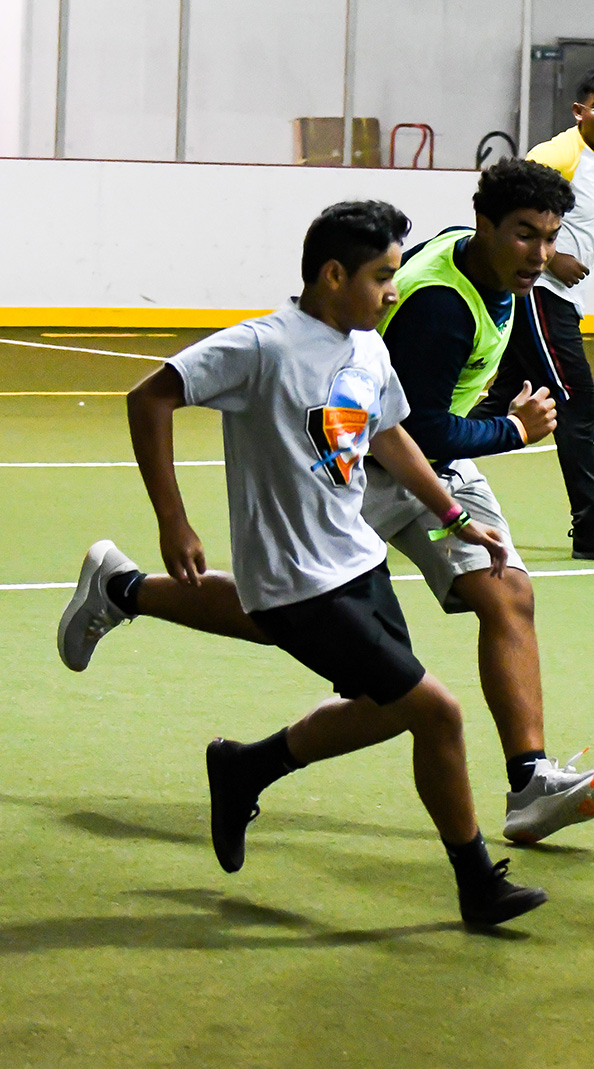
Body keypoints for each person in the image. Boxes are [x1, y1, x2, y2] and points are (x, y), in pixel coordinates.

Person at [58, 159, 594, 847]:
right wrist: (511, 429)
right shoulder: (438, 307)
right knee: (281, 616)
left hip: (426, 465)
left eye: (549, 236)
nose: (541, 253)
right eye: (526, 236)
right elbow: (405, 428)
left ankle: (529, 778)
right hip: (363, 459)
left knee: (506, 592)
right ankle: (125, 589)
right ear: (487, 225)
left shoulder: (494, 267)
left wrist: (460, 498)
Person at [107, 200, 547, 926]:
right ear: (333, 274)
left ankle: (246, 766)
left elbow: (392, 434)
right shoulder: (263, 347)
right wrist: (173, 519)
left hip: (358, 562)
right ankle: (476, 883)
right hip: (295, 585)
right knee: (436, 712)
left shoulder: (368, 343)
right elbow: (149, 398)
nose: (393, 292)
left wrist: (453, 513)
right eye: (382, 277)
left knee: (387, 709)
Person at [471, 67, 594, 560]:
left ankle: (409, 467)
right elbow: (511, 218)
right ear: (580, 112)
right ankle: (591, 527)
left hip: (564, 299)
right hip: (536, 292)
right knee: (576, 401)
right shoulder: (556, 156)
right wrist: (554, 257)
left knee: (500, 400)